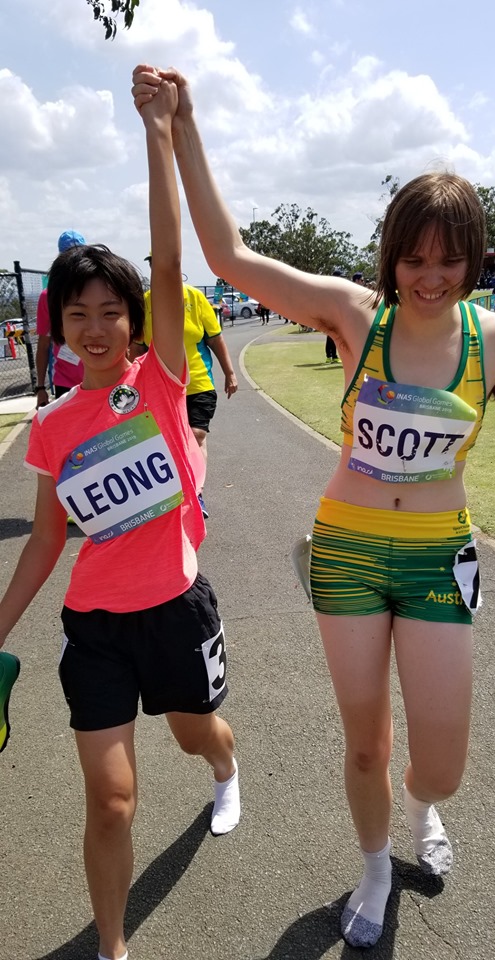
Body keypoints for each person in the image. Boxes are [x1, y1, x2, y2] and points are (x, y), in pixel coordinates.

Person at [131, 65, 495, 950]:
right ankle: (375, 865)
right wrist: (181, 124)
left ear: (472, 258)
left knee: (442, 761)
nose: (429, 277)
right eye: (413, 258)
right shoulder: (355, 316)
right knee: (363, 744)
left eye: (448, 260)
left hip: (436, 559)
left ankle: (422, 805)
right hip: (347, 548)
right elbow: (229, 257)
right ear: (391, 256)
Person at [0, 75, 240, 960]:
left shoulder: (161, 381)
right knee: (109, 801)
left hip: (175, 612)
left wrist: (159, 131)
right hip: (95, 627)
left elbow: (170, 264)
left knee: (193, 735)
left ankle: (225, 766)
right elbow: (48, 540)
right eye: (79, 315)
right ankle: (113, 947)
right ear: (59, 325)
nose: (95, 328)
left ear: (136, 322)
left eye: (111, 313)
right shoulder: (53, 426)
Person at [131, 263, 238, 518]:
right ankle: (174, 493)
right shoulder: (145, 303)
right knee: (169, 442)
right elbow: (137, 347)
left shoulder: (195, 297)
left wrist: (230, 372)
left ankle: (196, 493)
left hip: (199, 382)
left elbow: (215, 338)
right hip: (161, 387)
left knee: (196, 435)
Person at [35, 231, 86, 407]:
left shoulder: (95, 290)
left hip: (100, 377)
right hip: (65, 383)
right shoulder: (48, 297)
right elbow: (43, 345)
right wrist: (40, 388)